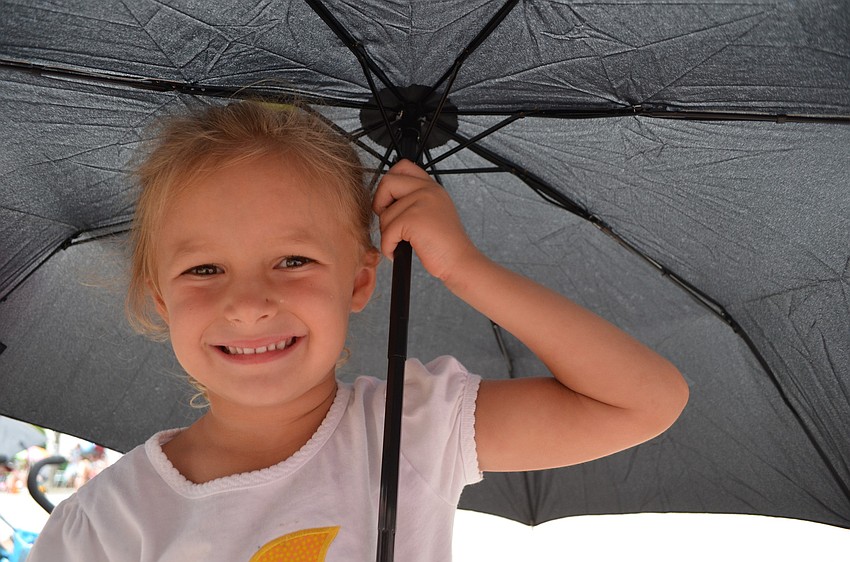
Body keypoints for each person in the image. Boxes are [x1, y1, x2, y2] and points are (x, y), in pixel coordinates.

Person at [29, 101, 689, 561]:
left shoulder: (409, 432)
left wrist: (463, 268)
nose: (250, 303)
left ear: (360, 281)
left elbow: (642, 400)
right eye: (205, 268)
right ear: (159, 299)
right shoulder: (103, 525)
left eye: (294, 261)